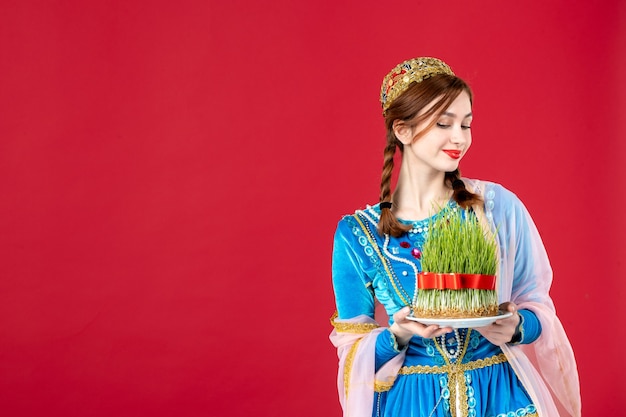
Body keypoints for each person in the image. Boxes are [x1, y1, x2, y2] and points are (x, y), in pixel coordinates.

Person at [329, 57, 581, 417]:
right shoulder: (358, 234)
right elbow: (353, 353)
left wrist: (517, 327)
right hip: (414, 403)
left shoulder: (496, 208)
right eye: (443, 124)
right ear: (402, 130)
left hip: (501, 395)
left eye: (466, 124)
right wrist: (396, 335)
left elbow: (537, 301)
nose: (459, 138)